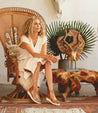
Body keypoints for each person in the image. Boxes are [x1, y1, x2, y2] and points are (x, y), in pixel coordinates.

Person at [18, 16, 60, 105]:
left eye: (39, 24)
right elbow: (33, 54)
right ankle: (35, 90)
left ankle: (51, 93)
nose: (39, 26)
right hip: (25, 61)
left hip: (37, 61)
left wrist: (49, 58)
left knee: (48, 63)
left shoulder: (43, 38)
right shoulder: (24, 38)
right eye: (35, 24)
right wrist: (49, 56)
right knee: (37, 61)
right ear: (30, 26)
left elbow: (43, 55)